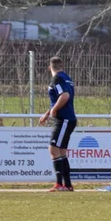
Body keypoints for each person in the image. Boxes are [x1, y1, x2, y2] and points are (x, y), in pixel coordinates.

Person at [38, 56, 77, 192]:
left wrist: (54, 110)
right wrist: (47, 113)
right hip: (68, 118)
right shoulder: (67, 78)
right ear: (63, 66)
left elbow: (64, 96)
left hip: (64, 119)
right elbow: (59, 98)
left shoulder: (57, 79)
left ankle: (59, 184)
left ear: (50, 68)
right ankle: (68, 185)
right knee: (61, 152)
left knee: (53, 149)